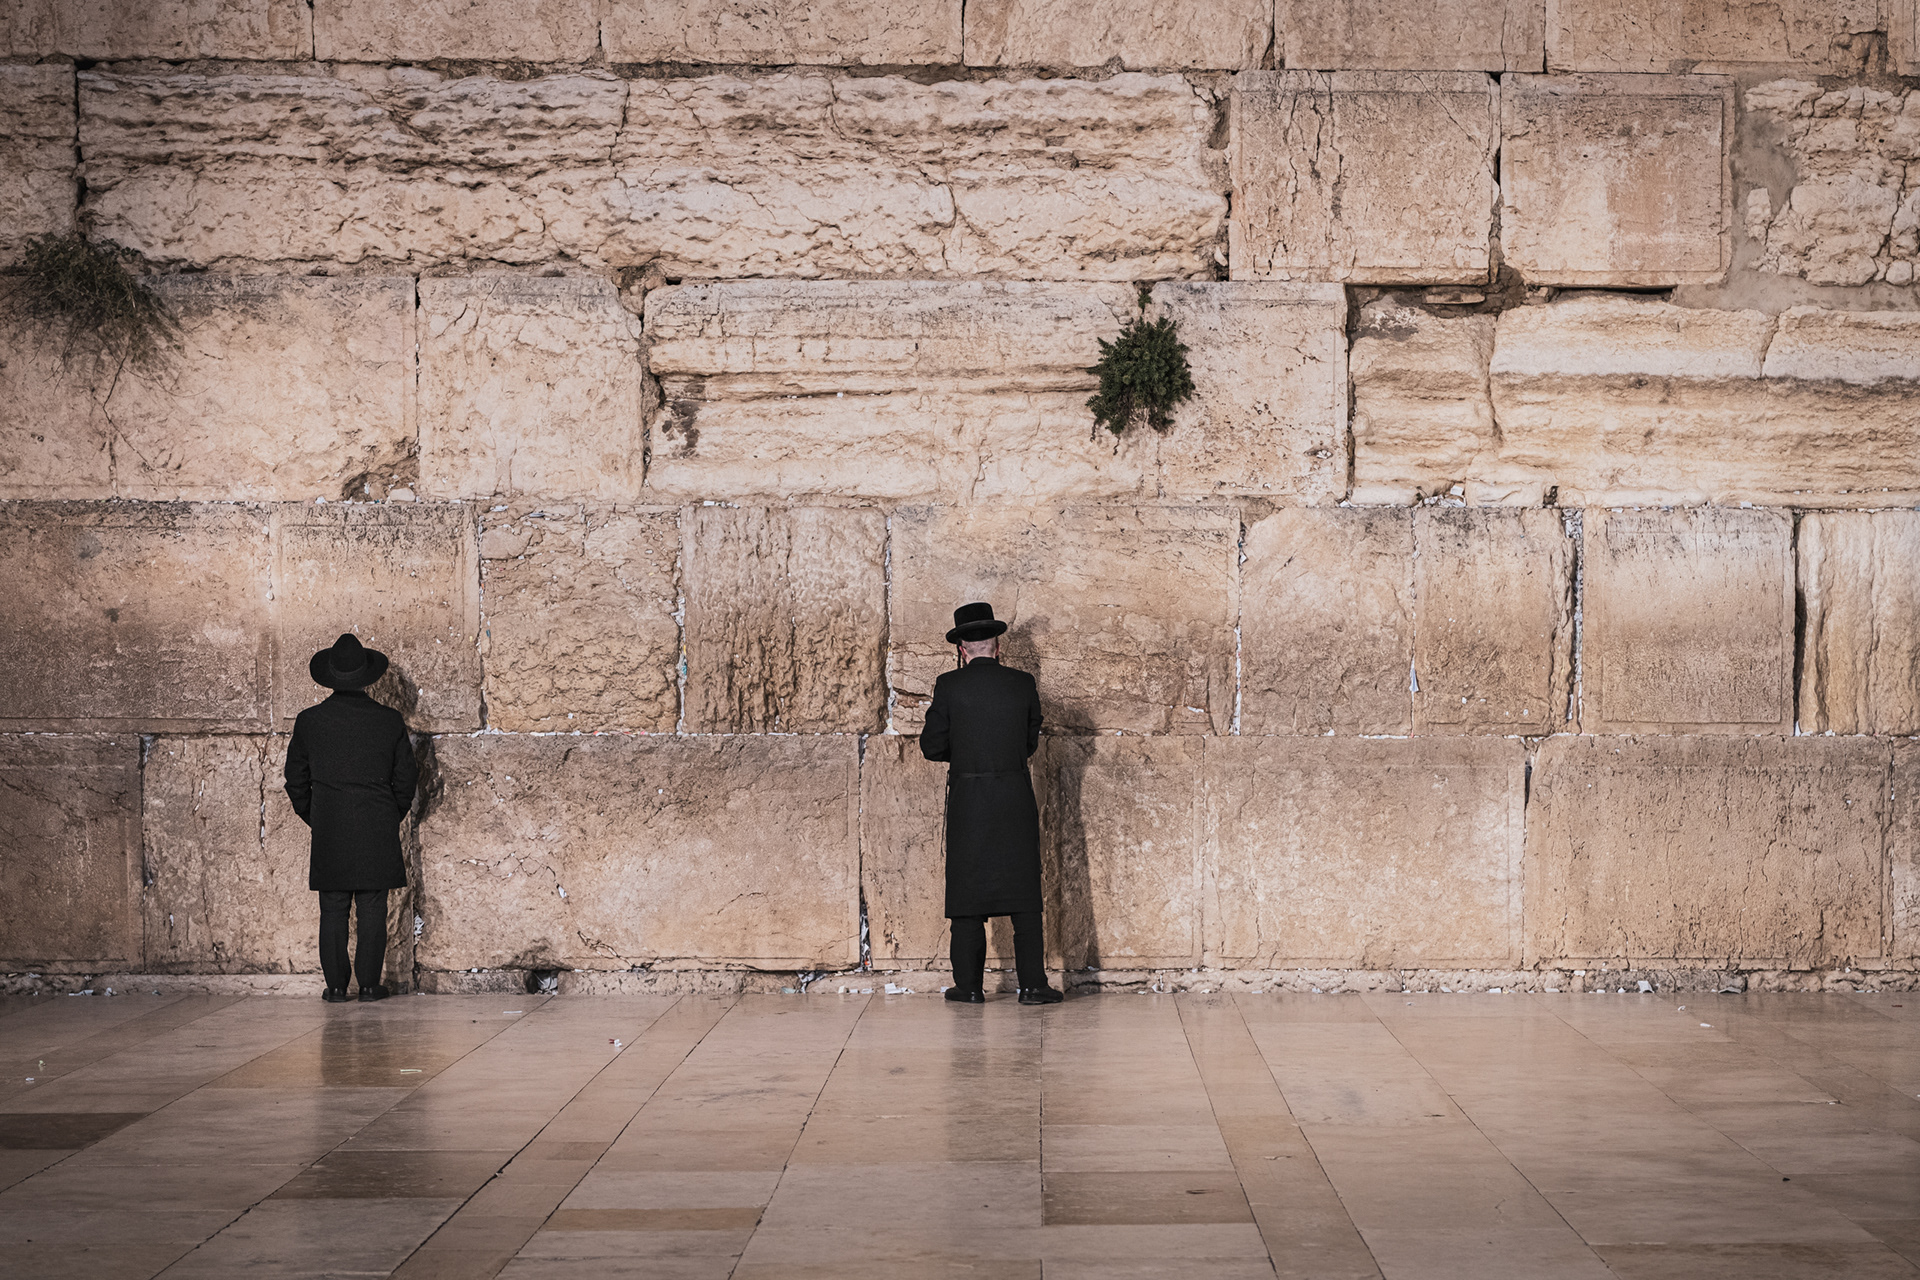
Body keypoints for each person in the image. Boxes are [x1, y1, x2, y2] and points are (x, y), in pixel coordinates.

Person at [921, 602, 1063, 1006]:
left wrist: (966, 754)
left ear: (962, 648)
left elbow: (932, 746)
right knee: (1022, 891)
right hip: (1014, 795)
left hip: (969, 799)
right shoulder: (1023, 683)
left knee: (967, 892)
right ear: (997, 646)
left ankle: (968, 987)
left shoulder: (949, 685)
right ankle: (1033, 985)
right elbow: (1029, 742)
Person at [284, 633, 418, 1004]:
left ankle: (337, 987)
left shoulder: (310, 721)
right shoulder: (388, 721)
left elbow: (295, 780)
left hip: (330, 829)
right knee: (373, 907)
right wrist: (389, 814)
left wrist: (319, 817)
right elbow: (406, 778)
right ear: (366, 676)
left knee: (333, 909)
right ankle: (370, 986)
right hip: (376, 825)